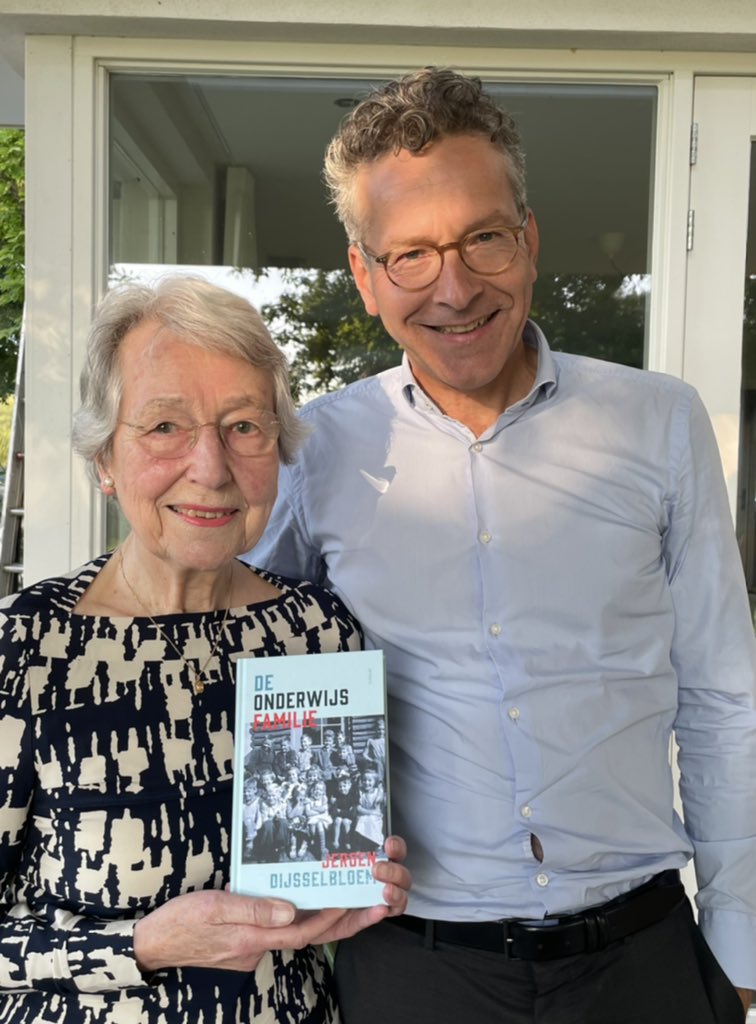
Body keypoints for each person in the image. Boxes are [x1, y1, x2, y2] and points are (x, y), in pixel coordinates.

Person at [250, 68, 756, 1023]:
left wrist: (739, 947)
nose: (454, 287)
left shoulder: (661, 425)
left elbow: (725, 699)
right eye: (410, 255)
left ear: (527, 240)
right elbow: (251, 659)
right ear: (364, 276)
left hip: (642, 960)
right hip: (411, 971)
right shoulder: (314, 452)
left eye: (482, 237)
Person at [0, 274, 410, 1024]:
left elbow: (314, 882)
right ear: (103, 459)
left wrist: (355, 888)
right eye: (164, 428)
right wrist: (140, 947)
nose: (212, 467)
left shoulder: (313, 633)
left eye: (244, 426)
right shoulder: (28, 645)